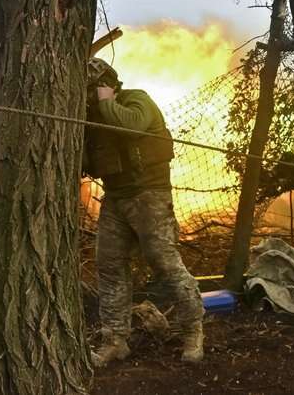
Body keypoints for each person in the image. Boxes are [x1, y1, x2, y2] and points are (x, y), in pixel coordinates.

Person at [84, 57, 205, 366]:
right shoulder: (92, 119)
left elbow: (131, 125)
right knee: (109, 265)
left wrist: (106, 101)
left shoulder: (136, 99)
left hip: (149, 195)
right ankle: (115, 340)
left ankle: (193, 332)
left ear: (104, 85)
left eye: (90, 88)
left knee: (165, 263)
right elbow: (86, 161)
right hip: (116, 197)